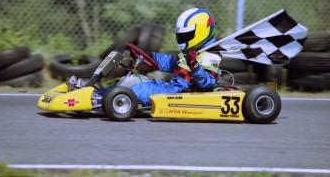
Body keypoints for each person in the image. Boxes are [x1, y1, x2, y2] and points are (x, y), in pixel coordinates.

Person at [70, 8, 222, 107]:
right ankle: (92, 94)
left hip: (176, 93)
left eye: (186, 35)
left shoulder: (209, 56)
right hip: (168, 88)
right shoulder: (189, 54)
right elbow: (170, 62)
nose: (183, 39)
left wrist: (195, 66)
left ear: (202, 32)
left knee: (137, 88)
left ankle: (101, 101)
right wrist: (148, 56)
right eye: (181, 36)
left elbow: (207, 84)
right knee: (128, 82)